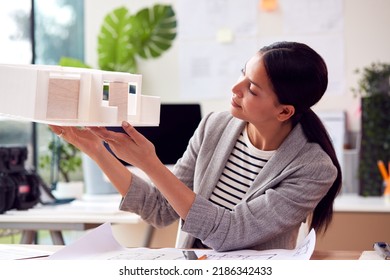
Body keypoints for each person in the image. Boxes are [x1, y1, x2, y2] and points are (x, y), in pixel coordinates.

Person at [50, 41, 342, 252]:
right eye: (243, 73)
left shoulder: (313, 168)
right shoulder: (215, 126)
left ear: (284, 112)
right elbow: (161, 209)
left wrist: (149, 164)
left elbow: (230, 233)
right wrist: (97, 151)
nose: (235, 88)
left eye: (252, 88)